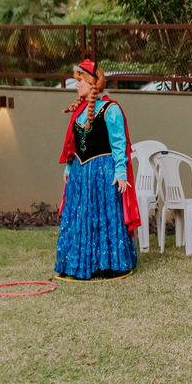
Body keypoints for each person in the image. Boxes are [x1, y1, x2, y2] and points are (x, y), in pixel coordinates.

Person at [55, 59, 141, 280]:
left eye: (80, 80)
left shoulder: (111, 110)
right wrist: (69, 165)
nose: (76, 85)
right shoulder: (81, 110)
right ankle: (78, 264)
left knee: (104, 215)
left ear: (91, 83)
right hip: (80, 173)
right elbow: (75, 143)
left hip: (102, 172)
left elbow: (119, 144)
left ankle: (111, 264)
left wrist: (121, 172)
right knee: (81, 216)